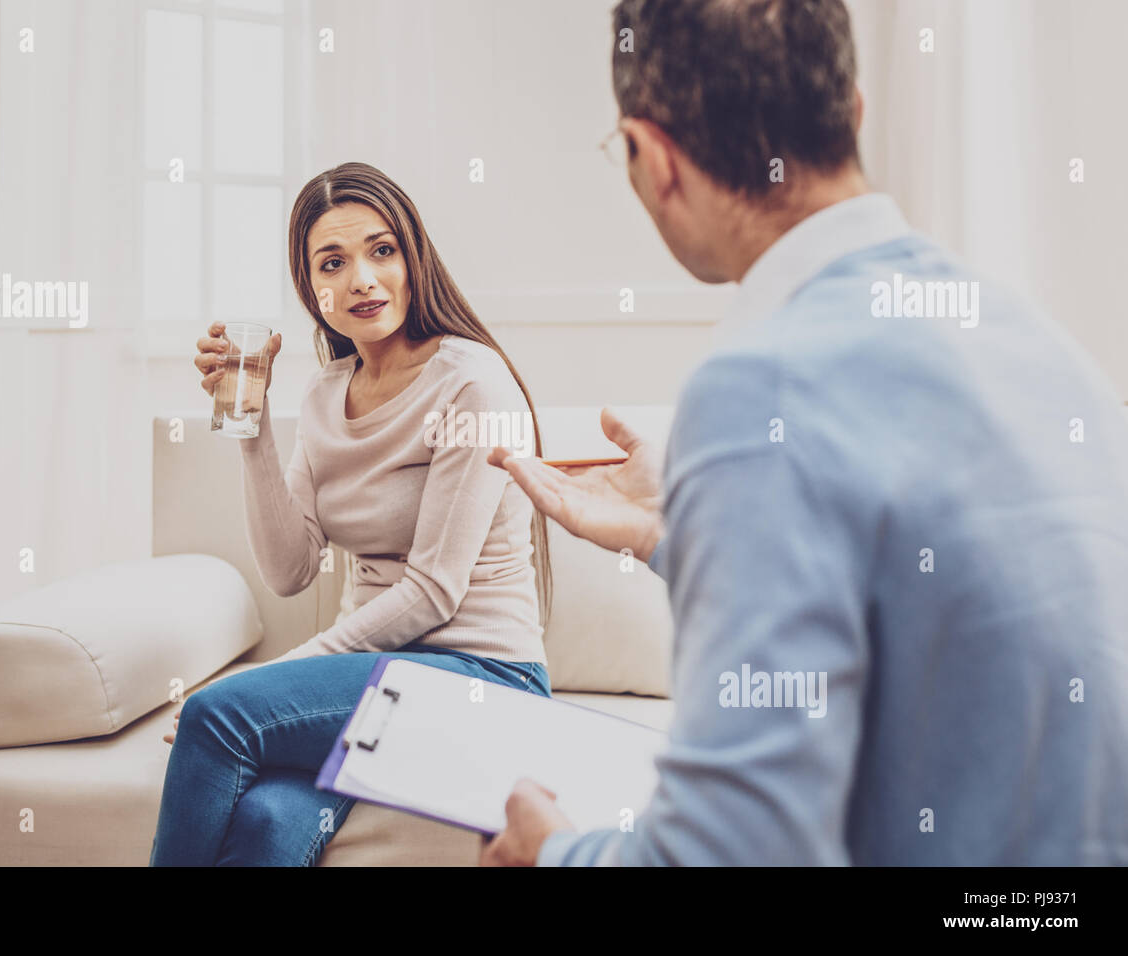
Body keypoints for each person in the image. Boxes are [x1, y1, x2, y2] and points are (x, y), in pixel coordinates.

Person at [480, 0, 1128, 866]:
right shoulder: (1032, 339)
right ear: (853, 111)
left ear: (653, 159)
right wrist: (675, 532)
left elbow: (735, 852)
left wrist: (553, 855)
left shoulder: (761, 384)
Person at [150, 161, 555, 866]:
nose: (361, 279)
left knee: (218, 715)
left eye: (382, 250)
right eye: (331, 264)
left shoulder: (471, 384)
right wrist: (252, 425)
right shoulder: (325, 391)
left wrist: (268, 679)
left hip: (486, 681)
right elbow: (289, 568)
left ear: (413, 257)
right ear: (311, 290)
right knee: (268, 824)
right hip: (372, 677)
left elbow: (434, 592)